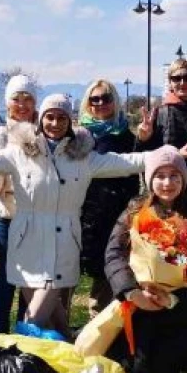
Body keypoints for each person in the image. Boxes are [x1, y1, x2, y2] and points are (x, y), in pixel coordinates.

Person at [0, 93, 172, 338]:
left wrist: (168, 156)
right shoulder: (19, 153)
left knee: (33, 317)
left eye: (62, 117)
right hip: (27, 245)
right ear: (41, 119)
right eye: (50, 116)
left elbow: (128, 162)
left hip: (64, 244)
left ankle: (22, 358)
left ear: (70, 121)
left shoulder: (84, 158)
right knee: (56, 321)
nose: (55, 123)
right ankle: (66, 362)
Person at [104, 146, 187, 373]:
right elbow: (114, 255)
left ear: (183, 180)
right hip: (136, 309)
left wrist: (172, 298)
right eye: (160, 176)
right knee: (134, 371)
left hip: (178, 317)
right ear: (150, 179)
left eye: (174, 175)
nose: (167, 183)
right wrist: (132, 292)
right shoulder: (133, 214)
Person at [0, 75, 37, 333]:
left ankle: (26, 330)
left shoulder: (43, 130)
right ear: (7, 103)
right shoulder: (1, 133)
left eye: (28, 99)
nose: (22, 104)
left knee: (32, 279)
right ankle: (0, 332)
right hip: (8, 217)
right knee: (7, 278)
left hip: (36, 216)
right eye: (17, 99)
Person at [78, 80, 139, 315]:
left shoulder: (127, 136)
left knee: (111, 268)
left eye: (106, 98)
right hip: (84, 211)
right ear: (88, 103)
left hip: (118, 211)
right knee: (70, 271)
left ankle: (105, 321)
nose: (101, 103)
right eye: (95, 99)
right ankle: (59, 324)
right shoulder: (79, 136)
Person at [136, 59, 187, 212]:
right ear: (170, 83)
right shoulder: (159, 114)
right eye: (176, 78)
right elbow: (145, 157)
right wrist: (143, 138)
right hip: (166, 195)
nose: (182, 82)